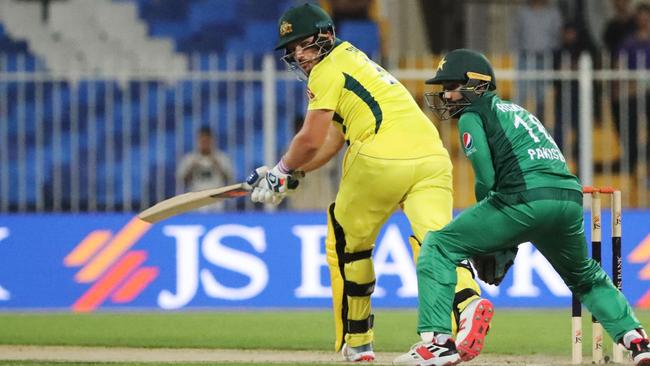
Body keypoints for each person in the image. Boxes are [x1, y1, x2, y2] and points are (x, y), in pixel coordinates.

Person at [249, 4, 493, 363]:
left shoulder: (325, 72)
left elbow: (310, 139)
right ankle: (469, 304)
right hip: (432, 156)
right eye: (293, 49)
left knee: (347, 241)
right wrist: (292, 175)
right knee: (437, 243)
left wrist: (280, 170)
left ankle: (358, 342)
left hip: (380, 157)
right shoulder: (356, 60)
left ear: (325, 36)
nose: (299, 55)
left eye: (304, 45)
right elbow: (332, 139)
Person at [394, 48, 650, 366]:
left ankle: (438, 343)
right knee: (585, 276)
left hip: (523, 199)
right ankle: (637, 341)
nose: (446, 96)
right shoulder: (519, 111)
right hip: (568, 199)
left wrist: (495, 235)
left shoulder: (474, 116)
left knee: (438, 246)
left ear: (476, 85)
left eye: (451, 86)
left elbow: (487, 180)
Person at [513, 0, 562, 120]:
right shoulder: (522, 12)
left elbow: (557, 36)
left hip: (545, 58)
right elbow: (516, 34)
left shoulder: (553, 13)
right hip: (525, 57)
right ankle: (515, 125)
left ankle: (539, 126)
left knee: (542, 97)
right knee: (520, 94)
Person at [176, 126, 233, 211]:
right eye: (202, 141)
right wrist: (192, 168)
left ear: (212, 141)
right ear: (198, 140)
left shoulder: (221, 158)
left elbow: (229, 178)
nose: (205, 143)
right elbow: (182, 180)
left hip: (216, 198)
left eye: (207, 141)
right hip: (196, 197)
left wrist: (217, 165)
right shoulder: (190, 158)